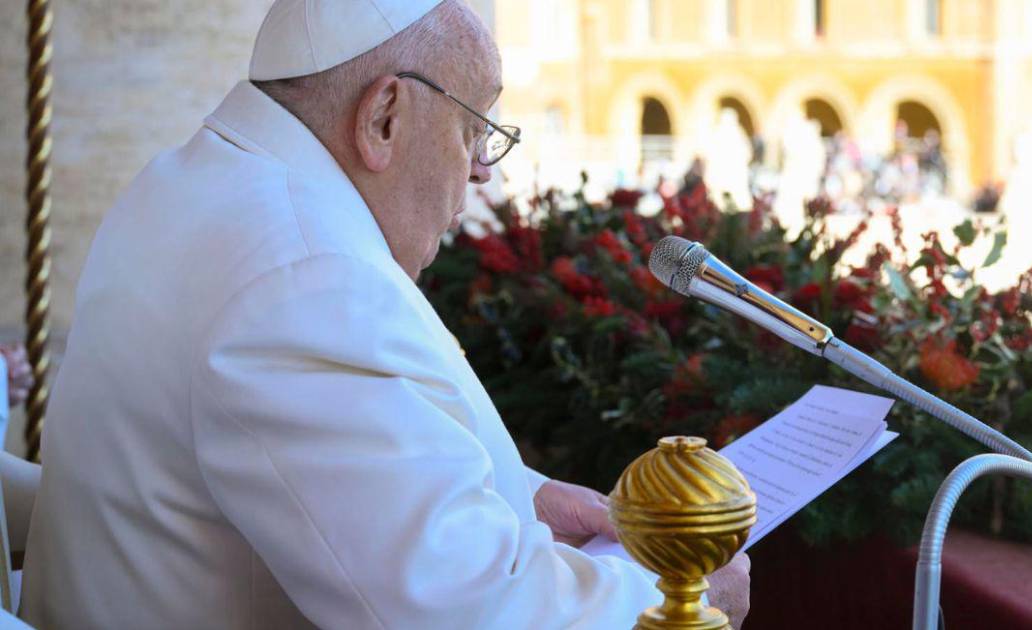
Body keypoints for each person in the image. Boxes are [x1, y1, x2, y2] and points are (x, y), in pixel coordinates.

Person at [20, 1, 751, 628]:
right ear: (383, 117)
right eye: (475, 126)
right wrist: (676, 599)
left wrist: (523, 497)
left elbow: (330, 468)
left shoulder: (193, 186)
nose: (482, 167)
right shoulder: (307, 277)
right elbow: (460, 611)